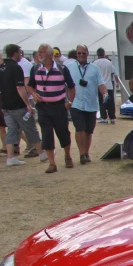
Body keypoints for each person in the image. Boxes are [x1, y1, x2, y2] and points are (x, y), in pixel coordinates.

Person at [28, 43, 76, 173]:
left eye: (42, 51)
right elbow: (30, 85)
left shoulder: (62, 69)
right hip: (43, 107)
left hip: (59, 106)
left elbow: (72, 87)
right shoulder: (36, 69)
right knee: (47, 134)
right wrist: (33, 93)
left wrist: (70, 102)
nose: (40, 54)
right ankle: (52, 163)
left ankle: (67, 156)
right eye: (39, 51)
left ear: (50, 54)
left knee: (63, 133)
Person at [0, 43, 45, 167]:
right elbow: (20, 87)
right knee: (30, 128)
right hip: (17, 104)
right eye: (19, 52)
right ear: (15, 53)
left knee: (12, 130)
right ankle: (42, 153)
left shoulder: (0, 67)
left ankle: (10, 157)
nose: (21, 55)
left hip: (5, 104)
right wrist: (28, 104)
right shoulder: (16, 67)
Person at [65, 44, 107, 164]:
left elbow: (101, 83)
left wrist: (105, 93)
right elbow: (64, 84)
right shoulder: (69, 67)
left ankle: (86, 152)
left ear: (88, 54)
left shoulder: (95, 68)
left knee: (89, 131)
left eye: (83, 53)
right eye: (79, 53)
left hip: (91, 104)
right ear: (76, 54)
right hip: (76, 103)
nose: (81, 55)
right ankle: (81, 153)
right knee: (80, 128)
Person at [94, 48, 118, 124]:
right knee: (110, 102)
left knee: (102, 102)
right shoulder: (109, 63)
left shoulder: (95, 63)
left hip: (100, 86)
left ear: (97, 54)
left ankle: (104, 117)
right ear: (104, 53)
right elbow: (112, 74)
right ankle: (112, 117)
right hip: (109, 85)